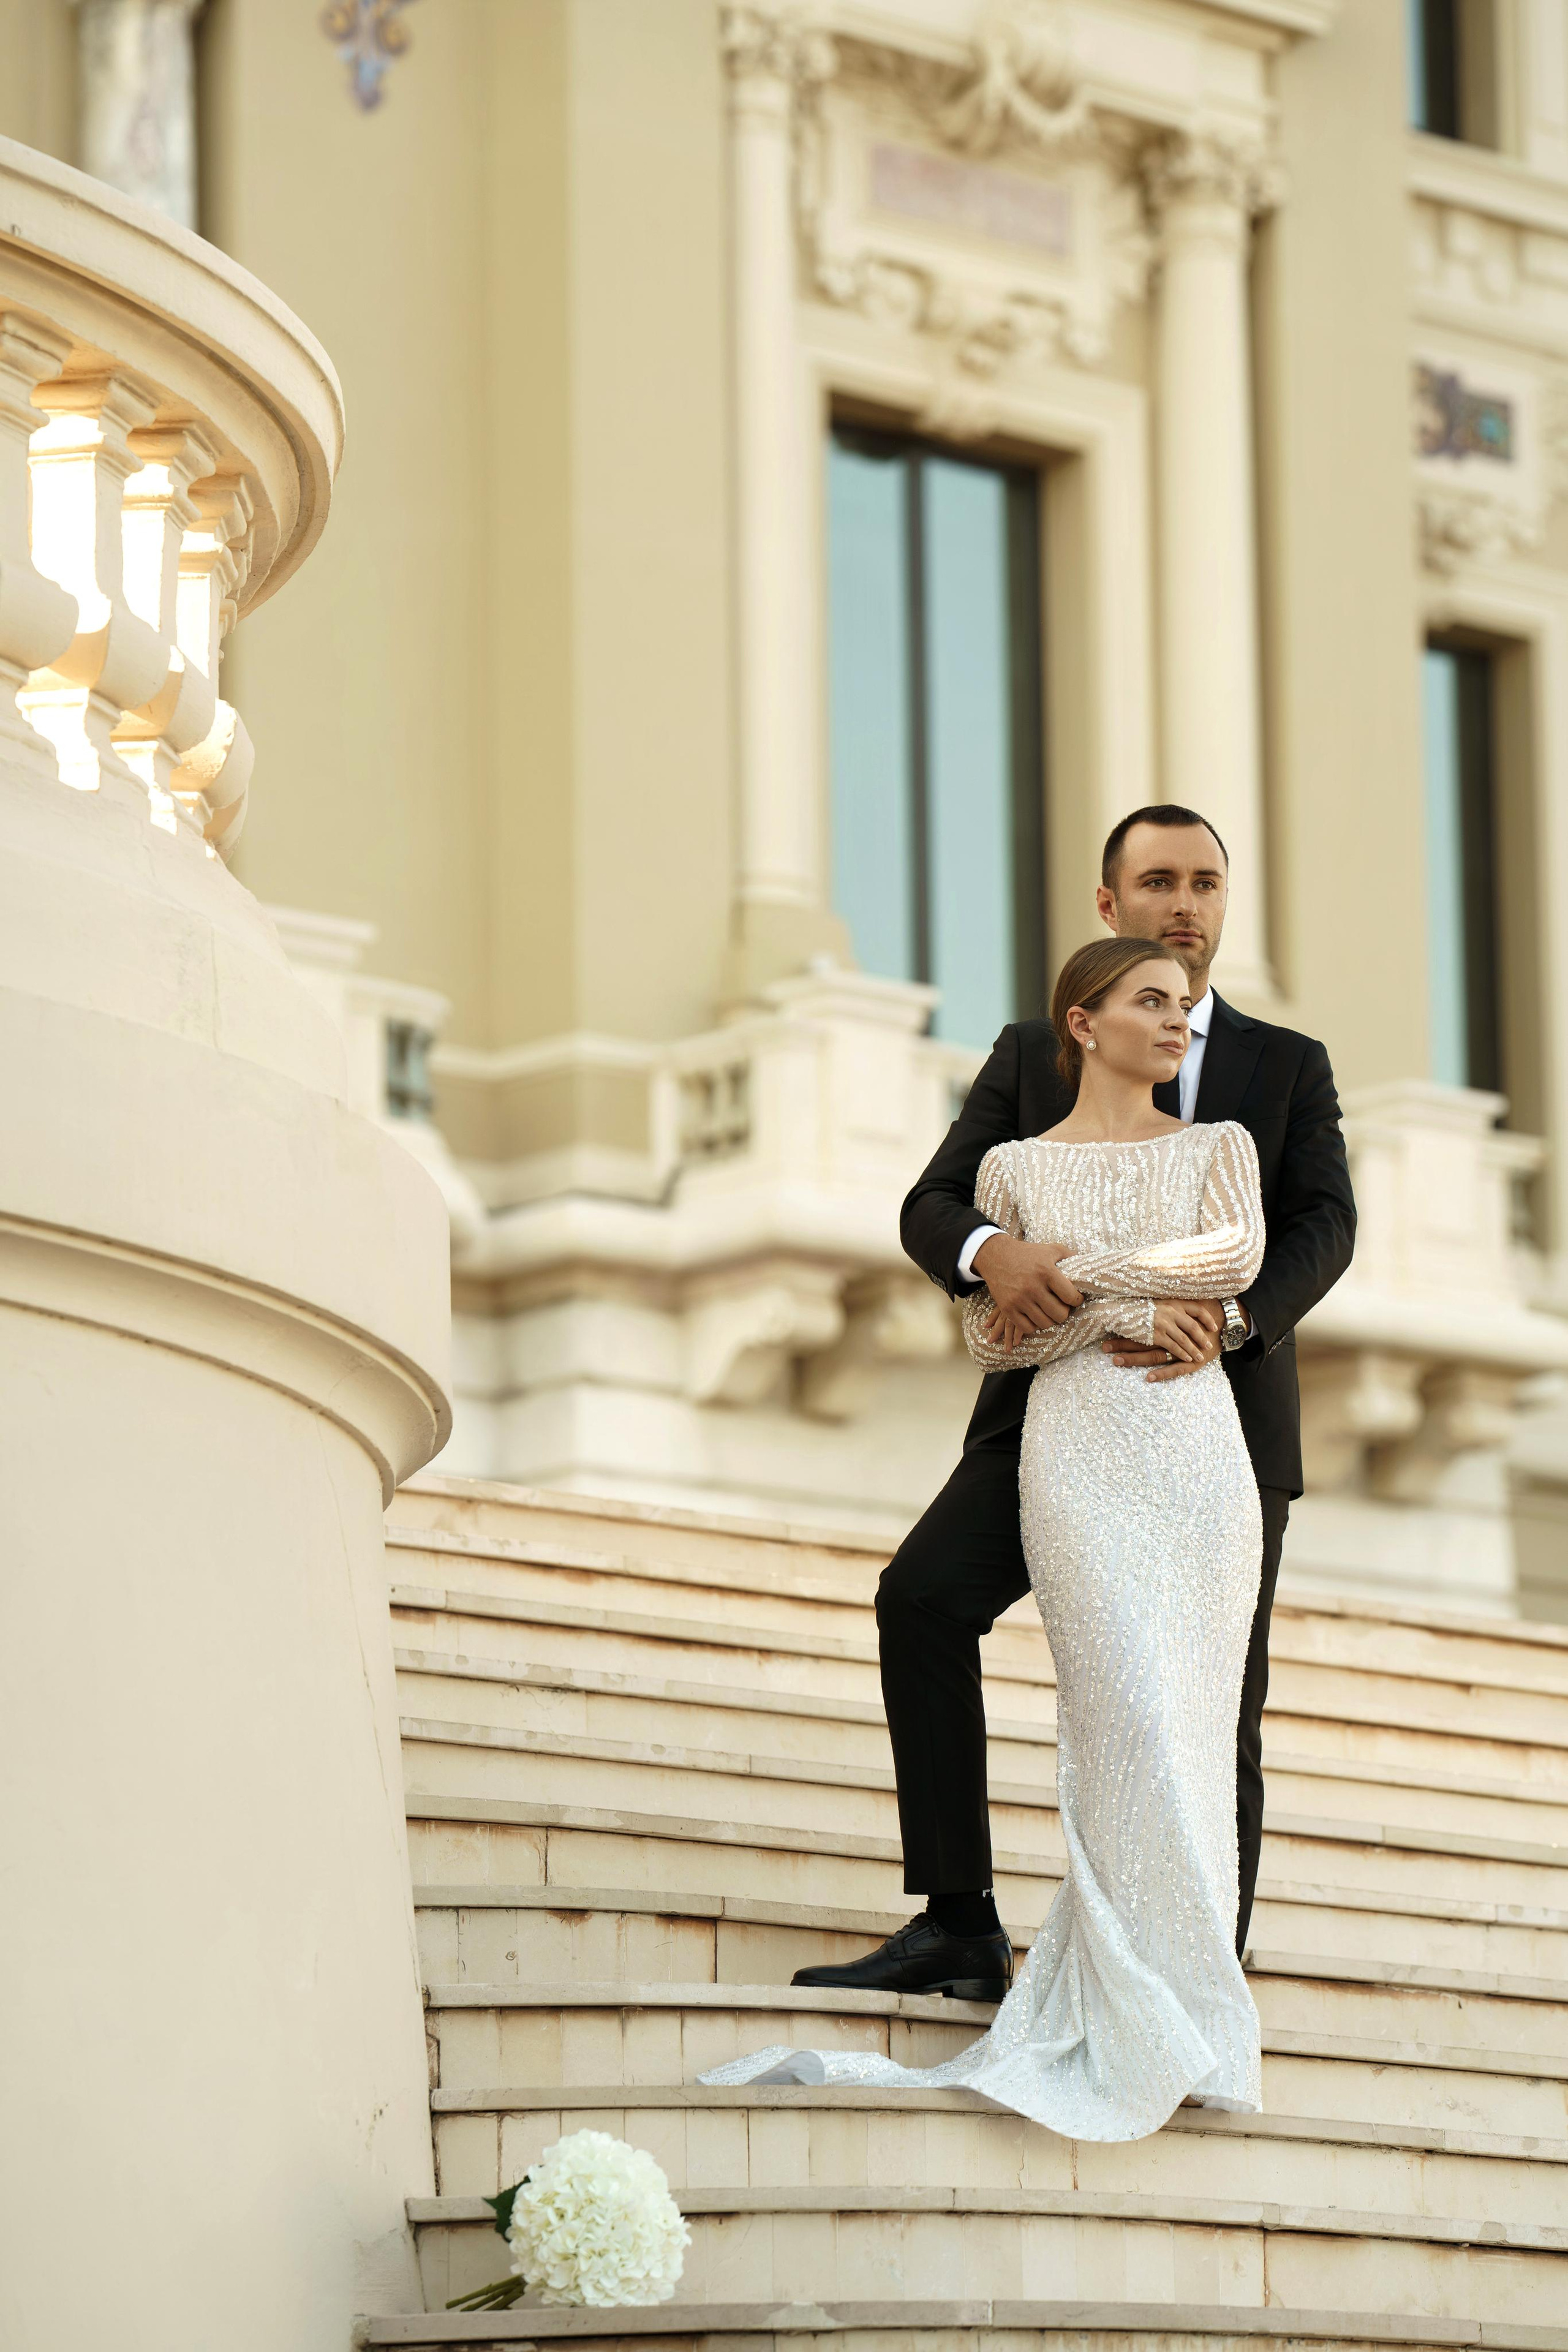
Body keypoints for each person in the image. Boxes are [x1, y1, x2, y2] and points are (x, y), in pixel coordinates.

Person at [700, 935, 1270, 2135]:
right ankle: (975, 1930)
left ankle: (1193, 2009)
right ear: (1081, 1019)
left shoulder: (1234, 1130)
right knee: (1102, 1703)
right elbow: (985, 1327)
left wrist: (1160, 1300)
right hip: (1061, 1448)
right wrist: (1019, 1267)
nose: (1178, 1019)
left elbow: (1240, 1255)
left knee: (1192, 1720)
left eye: (1186, 1002)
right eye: (1150, 999)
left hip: (1202, 1451)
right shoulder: (1013, 1157)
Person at [789, 803, 1357, 2006]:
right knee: (920, 1601)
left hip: (1215, 1427)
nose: (1184, 904)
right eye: (1157, 881)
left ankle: (1200, 1977)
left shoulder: (1285, 1066)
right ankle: (955, 1925)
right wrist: (991, 1252)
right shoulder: (1028, 1052)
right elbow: (932, 1202)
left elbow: (1323, 1226)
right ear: (1108, 908)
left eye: (1205, 882)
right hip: (1044, 1422)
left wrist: (1238, 1322)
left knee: (1211, 1702)